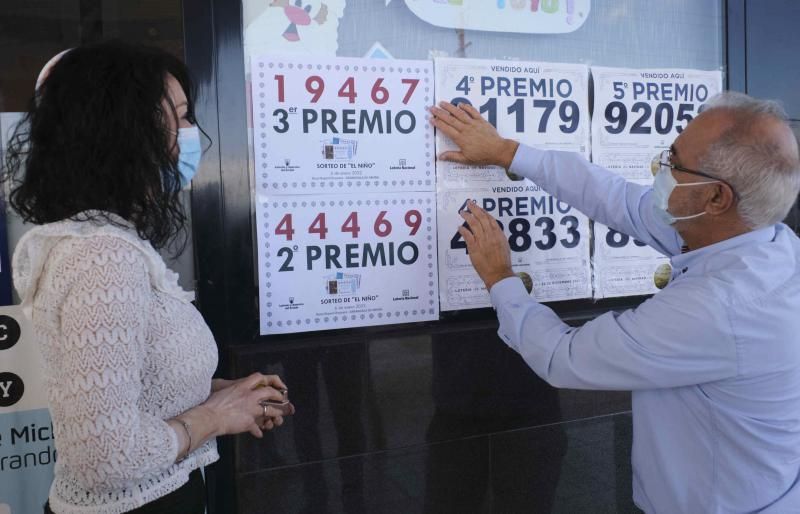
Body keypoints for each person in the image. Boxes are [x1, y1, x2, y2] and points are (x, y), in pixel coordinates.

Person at [429, 92, 800, 513]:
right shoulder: (767, 243)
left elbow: (562, 356)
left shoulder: (721, 308)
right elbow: (618, 200)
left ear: (716, 199)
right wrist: (507, 152)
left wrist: (499, 278)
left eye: (674, 162)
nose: (661, 169)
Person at [3, 41, 295, 514]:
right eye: (178, 117)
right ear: (122, 132)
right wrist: (216, 416)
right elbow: (106, 457)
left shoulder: (104, 241)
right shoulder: (102, 258)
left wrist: (227, 396)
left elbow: (124, 390)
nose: (191, 132)